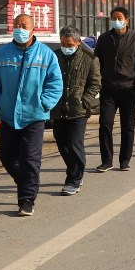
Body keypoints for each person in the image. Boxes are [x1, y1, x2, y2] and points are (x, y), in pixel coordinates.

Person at [0, 13, 63, 217]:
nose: (20, 29)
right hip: (8, 115)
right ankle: (26, 181)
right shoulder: (2, 53)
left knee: (30, 158)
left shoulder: (46, 54)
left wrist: (43, 103)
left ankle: (26, 199)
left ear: (33, 29)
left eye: (24, 25)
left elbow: (55, 84)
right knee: (6, 156)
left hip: (34, 116)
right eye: (17, 25)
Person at [94, 6, 135, 172]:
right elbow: (97, 63)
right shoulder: (104, 39)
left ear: (127, 20)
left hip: (129, 89)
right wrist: (98, 82)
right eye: (114, 18)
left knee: (128, 126)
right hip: (108, 89)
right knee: (105, 124)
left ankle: (124, 161)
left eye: (120, 18)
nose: (117, 21)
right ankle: (107, 161)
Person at [50, 26, 101, 196]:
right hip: (58, 109)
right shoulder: (55, 57)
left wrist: (84, 101)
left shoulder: (90, 59)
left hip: (78, 110)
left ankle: (74, 180)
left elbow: (95, 84)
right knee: (62, 144)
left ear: (78, 42)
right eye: (63, 44)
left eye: (70, 44)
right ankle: (76, 169)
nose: (66, 47)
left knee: (74, 144)